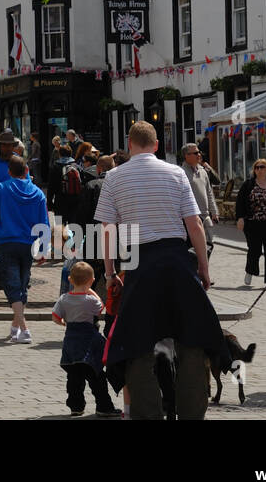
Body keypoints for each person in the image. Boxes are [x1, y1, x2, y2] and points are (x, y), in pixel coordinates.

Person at [95, 121, 226, 420]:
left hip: (140, 262)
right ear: (156, 145)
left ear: (129, 145)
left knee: (138, 343)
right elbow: (194, 224)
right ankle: (191, 414)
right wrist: (203, 268)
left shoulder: (114, 177)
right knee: (192, 340)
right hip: (178, 261)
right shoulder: (176, 173)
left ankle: (148, 414)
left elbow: (108, 231)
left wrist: (110, 273)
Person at [0, 156, 48, 344]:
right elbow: (44, 223)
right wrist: (44, 248)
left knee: (12, 285)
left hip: (8, 243)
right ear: (27, 171)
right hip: (29, 245)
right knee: (22, 285)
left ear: (9, 172)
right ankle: (15, 328)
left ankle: (25, 329)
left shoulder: (1, 189)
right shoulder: (38, 194)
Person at [51, 260, 119, 417]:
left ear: (70, 280)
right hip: (88, 343)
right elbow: (100, 309)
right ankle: (103, 406)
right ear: (92, 280)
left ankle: (76, 406)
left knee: (74, 378)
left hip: (71, 343)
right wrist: (91, 291)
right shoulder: (90, 300)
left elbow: (55, 317)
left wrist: (63, 323)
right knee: (97, 378)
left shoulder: (64, 299)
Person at [236, 158, 266, 286]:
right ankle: (250, 271)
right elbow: (240, 203)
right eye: (257, 167)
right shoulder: (248, 185)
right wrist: (240, 218)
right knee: (254, 250)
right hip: (253, 223)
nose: (259, 170)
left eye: (262, 167)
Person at [181, 144, 218, 257]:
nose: (199, 155)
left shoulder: (203, 171)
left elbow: (209, 192)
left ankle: (202, 270)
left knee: (209, 245)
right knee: (192, 250)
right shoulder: (181, 173)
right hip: (190, 218)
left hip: (205, 216)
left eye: (199, 152)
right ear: (186, 156)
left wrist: (214, 211)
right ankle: (195, 272)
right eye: (195, 153)